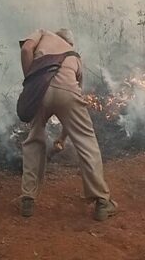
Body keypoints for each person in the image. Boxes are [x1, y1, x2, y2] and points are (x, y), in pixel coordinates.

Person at [18, 28, 117, 221]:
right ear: (70, 44)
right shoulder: (75, 57)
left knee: (33, 140)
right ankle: (102, 203)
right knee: (87, 143)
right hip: (69, 92)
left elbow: (25, 50)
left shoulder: (43, 33)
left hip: (40, 90)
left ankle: (27, 198)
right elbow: (72, 99)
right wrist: (63, 137)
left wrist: (30, 83)